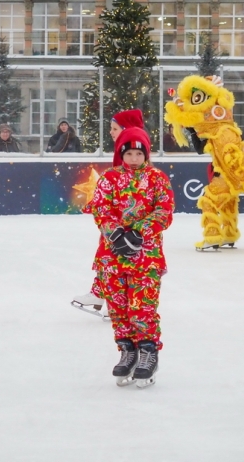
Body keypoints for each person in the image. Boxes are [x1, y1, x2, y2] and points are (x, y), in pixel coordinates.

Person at [83, 127, 174, 388]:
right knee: (120, 309)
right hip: (112, 257)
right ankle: (128, 350)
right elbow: (100, 207)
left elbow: (164, 210)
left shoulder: (157, 178)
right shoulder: (109, 179)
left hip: (146, 256)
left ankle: (147, 352)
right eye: (129, 153)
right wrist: (116, 234)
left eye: (138, 153)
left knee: (142, 308)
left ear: (146, 154)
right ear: (121, 154)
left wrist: (138, 233)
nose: (134, 158)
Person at [71, 109, 145, 317]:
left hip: (128, 222)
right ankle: (101, 293)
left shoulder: (132, 158)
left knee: (117, 256)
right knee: (108, 252)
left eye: (115, 129)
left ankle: (116, 299)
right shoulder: (122, 154)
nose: (111, 133)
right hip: (115, 221)